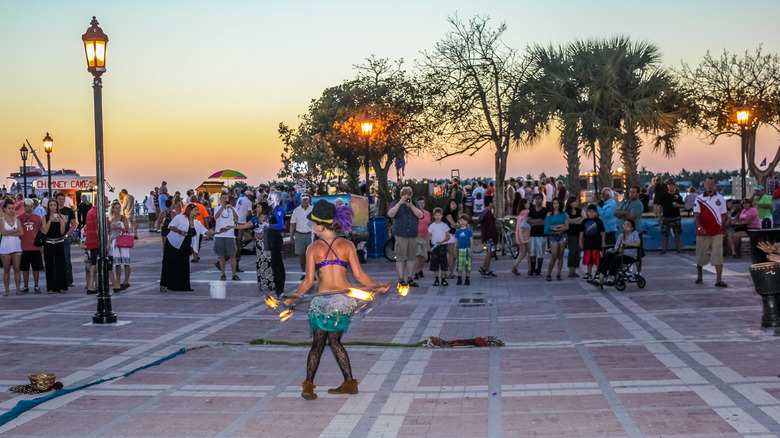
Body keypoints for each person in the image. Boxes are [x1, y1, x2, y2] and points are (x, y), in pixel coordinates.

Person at [283, 199, 387, 400]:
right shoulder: (347, 245)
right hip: (343, 303)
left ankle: (308, 386)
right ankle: (349, 383)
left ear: (321, 226)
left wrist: (291, 299)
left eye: (313, 222)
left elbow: (307, 282)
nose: (312, 225)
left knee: (318, 344)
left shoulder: (313, 248)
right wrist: (376, 286)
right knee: (335, 342)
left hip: (323, 304)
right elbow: (360, 276)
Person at [160, 204, 220, 292]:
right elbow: (171, 226)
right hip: (173, 243)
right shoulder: (180, 218)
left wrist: (218, 232)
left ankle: (182, 286)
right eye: (196, 210)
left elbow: (205, 232)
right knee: (169, 263)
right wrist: (180, 231)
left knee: (183, 265)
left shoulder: (196, 222)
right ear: (190, 210)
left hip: (185, 245)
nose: (198, 212)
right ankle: (164, 284)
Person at [694, 176, 728, 287]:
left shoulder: (721, 198)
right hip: (703, 232)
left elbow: (724, 215)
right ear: (704, 185)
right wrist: (699, 227)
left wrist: (721, 227)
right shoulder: (699, 199)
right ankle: (699, 276)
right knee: (701, 256)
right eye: (708, 183)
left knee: (718, 255)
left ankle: (718, 279)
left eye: (712, 184)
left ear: (715, 185)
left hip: (716, 232)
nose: (710, 186)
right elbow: (696, 216)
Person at [388, 187, 424, 287]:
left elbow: (421, 215)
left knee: (411, 258)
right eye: (405, 194)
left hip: (412, 235)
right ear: (401, 195)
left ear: (411, 195)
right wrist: (400, 203)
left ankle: (410, 278)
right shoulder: (396, 203)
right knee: (400, 258)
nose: (407, 196)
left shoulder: (415, 204)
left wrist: (411, 206)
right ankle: (401, 279)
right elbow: (390, 214)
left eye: (408, 194)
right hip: (400, 235)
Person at [234, 202, 274, 292]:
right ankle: (263, 284)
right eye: (256, 207)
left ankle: (271, 284)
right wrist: (231, 227)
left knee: (269, 263)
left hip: (268, 244)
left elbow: (275, 229)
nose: (257, 208)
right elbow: (244, 226)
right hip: (259, 245)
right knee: (260, 263)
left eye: (258, 207)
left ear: (263, 208)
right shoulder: (255, 219)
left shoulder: (270, 219)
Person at [597, 218, 641, 288]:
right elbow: (616, 246)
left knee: (616, 259)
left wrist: (625, 243)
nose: (625, 227)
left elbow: (637, 244)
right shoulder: (621, 235)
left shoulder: (635, 234)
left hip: (630, 255)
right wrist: (618, 249)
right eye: (624, 225)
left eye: (628, 225)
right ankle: (601, 277)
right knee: (606, 257)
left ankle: (612, 278)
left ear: (632, 228)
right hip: (620, 254)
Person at [41, 199, 68, 294]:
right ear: (48, 207)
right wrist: (50, 220)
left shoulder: (61, 216)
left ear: (57, 206)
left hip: (59, 242)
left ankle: (61, 286)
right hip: (49, 243)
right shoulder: (45, 217)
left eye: (54, 205)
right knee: (49, 265)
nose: (53, 207)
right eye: (51, 205)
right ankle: (50, 287)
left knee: (60, 265)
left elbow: (62, 232)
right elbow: (44, 231)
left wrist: (61, 221)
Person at [213, 192, 240, 281]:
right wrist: (222, 207)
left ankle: (234, 274)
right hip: (220, 235)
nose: (225, 200)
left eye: (226, 198)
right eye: (223, 198)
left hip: (230, 235)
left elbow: (236, 218)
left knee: (232, 255)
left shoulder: (233, 209)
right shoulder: (217, 208)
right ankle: (223, 274)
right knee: (221, 255)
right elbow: (216, 217)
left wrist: (231, 208)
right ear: (220, 199)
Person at [18, 200, 43, 293]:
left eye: (31, 206)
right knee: (25, 268)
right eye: (27, 206)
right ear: (24, 207)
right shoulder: (20, 218)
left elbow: (41, 231)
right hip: (24, 246)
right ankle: (25, 286)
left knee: (36, 268)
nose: (29, 208)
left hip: (35, 247)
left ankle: (36, 285)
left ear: (33, 207)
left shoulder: (38, 218)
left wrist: (41, 245)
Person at [1, 198, 24, 295]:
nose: (11, 210)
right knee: (6, 268)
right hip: (5, 246)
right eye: (9, 208)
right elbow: (3, 232)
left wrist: (11, 232)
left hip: (16, 245)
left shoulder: (17, 220)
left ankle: (18, 289)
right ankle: (7, 290)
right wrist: (15, 231)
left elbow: (21, 232)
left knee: (17, 268)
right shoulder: (1, 220)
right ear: (5, 209)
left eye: (13, 208)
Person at [108, 201, 131, 291]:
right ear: (113, 209)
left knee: (126, 262)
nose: (118, 209)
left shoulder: (123, 218)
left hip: (123, 240)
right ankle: (117, 281)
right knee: (117, 262)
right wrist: (108, 244)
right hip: (114, 241)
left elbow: (127, 230)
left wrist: (120, 228)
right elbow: (109, 232)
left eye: (119, 208)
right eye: (116, 208)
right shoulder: (110, 219)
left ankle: (125, 281)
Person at [267, 191, 287, 297]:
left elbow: (280, 225)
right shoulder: (274, 210)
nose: (268, 200)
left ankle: (280, 291)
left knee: (277, 266)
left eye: (270, 198)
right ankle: (279, 290)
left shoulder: (279, 209)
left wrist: (268, 225)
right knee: (276, 266)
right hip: (273, 241)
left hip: (276, 241)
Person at [544, 198, 569, 281]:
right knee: (554, 255)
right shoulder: (549, 214)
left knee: (561, 254)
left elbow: (566, 226)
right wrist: (559, 227)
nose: (556, 205)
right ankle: (549, 273)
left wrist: (556, 228)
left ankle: (559, 274)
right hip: (553, 236)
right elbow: (548, 227)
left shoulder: (564, 214)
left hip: (563, 235)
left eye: (557, 203)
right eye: (554, 203)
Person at [289, 194, 313, 281]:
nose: (305, 201)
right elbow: (293, 224)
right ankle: (304, 273)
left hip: (310, 234)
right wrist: (291, 236)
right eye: (304, 200)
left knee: (311, 256)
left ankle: (311, 274)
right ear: (301, 200)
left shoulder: (313, 209)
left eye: (307, 199)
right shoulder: (296, 210)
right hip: (300, 234)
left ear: (309, 200)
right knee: (301, 255)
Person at [56, 192, 77, 287]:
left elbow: (73, 224)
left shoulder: (68, 211)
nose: (60, 201)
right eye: (59, 199)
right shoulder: (53, 210)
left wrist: (67, 234)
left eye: (62, 199)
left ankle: (69, 280)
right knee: (55, 260)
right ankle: (57, 279)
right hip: (54, 238)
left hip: (65, 238)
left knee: (66, 260)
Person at [658, 179, 684, 254]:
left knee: (677, 233)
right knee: (665, 234)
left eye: (673, 185)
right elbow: (660, 206)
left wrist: (678, 205)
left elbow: (683, 205)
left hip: (676, 217)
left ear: (675, 187)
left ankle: (678, 249)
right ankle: (664, 249)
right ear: (668, 186)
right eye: (670, 185)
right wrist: (659, 216)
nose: (671, 187)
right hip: (666, 217)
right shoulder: (664, 196)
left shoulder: (678, 196)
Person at [580, 205, 605, 280]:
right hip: (587, 243)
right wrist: (580, 241)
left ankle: (598, 272)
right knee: (588, 259)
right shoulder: (584, 221)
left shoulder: (599, 221)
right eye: (590, 211)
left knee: (597, 259)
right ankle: (589, 273)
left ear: (596, 213)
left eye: (593, 212)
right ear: (587, 212)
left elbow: (603, 232)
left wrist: (603, 241)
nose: (591, 213)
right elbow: (581, 232)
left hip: (597, 244)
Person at [428, 207, 451, 286]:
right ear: (434, 216)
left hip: (442, 246)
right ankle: (436, 279)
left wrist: (442, 242)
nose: (438, 217)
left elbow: (448, 236)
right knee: (435, 263)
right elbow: (428, 236)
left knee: (443, 262)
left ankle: (443, 279)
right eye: (436, 215)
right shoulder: (431, 226)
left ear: (442, 216)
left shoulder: (444, 226)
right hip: (434, 246)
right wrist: (428, 246)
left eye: (439, 215)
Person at [526, 194, 548, 276]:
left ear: (542, 200)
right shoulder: (532, 210)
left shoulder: (545, 210)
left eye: (539, 199)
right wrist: (539, 221)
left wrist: (534, 222)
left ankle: (539, 269)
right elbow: (528, 220)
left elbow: (545, 222)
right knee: (532, 252)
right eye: (536, 199)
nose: (537, 200)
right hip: (533, 234)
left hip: (541, 234)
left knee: (540, 252)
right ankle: (532, 269)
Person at [234, 190, 254, 273]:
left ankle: (239, 244)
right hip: (242, 223)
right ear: (248, 195)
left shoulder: (239, 199)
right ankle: (239, 244)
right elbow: (249, 213)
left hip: (236, 221)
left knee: (240, 239)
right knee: (249, 237)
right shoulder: (248, 201)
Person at [477, 199, 498, 277]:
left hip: (486, 235)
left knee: (488, 252)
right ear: (490, 203)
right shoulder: (488, 214)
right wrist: (494, 237)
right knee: (489, 253)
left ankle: (484, 267)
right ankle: (487, 270)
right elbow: (491, 226)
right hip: (489, 236)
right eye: (493, 202)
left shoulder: (484, 212)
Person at [565, 197, 584, 278]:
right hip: (571, 234)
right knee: (572, 251)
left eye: (577, 201)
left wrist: (574, 221)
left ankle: (575, 270)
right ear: (570, 203)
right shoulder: (566, 212)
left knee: (578, 252)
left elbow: (584, 219)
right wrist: (578, 219)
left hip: (580, 234)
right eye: (575, 202)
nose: (577, 203)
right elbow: (568, 221)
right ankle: (570, 270)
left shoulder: (580, 211)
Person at [511, 198, 530, 276]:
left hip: (519, 234)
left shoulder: (520, 213)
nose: (529, 204)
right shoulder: (526, 212)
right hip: (526, 234)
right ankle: (530, 269)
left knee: (522, 252)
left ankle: (515, 265)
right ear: (525, 204)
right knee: (530, 252)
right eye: (528, 203)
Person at [414, 197, 430, 280]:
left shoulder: (427, 213)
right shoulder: (414, 213)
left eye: (423, 202)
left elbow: (428, 226)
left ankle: (420, 270)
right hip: (416, 237)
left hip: (424, 236)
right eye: (419, 202)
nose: (421, 204)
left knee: (423, 256)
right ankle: (416, 272)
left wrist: (428, 241)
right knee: (417, 255)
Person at [442, 199, 459, 279]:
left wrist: (456, 224)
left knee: (453, 254)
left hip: (453, 234)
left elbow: (455, 224)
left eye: (455, 204)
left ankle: (445, 272)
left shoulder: (454, 213)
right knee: (452, 254)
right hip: (449, 235)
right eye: (452, 203)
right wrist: (457, 224)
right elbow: (453, 224)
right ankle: (451, 273)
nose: (454, 205)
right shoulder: (448, 213)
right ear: (449, 204)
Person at [454, 214, 473, 285]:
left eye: (464, 221)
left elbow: (471, 241)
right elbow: (456, 241)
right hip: (460, 249)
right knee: (459, 265)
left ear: (467, 222)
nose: (462, 222)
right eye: (461, 220)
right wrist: (454, 250)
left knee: (467, 265)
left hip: (467, 249)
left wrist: (471, 250)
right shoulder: (458, 231)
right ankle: (459, 279)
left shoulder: (469, 231)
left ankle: (467, 279)